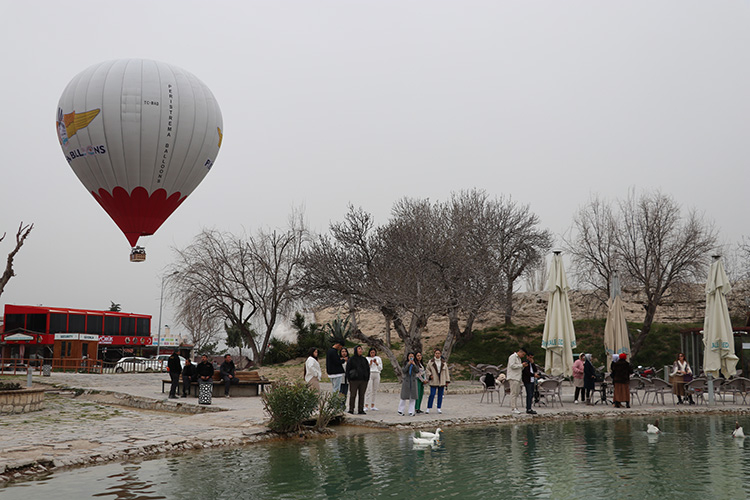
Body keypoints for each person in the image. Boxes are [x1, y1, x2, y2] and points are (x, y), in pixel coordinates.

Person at [345, 345, 370, 415]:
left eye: (361, 349)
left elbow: (368, 369)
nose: (361, 350)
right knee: (353, 395)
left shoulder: (364, 359)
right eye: (359, 349)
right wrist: (349, 378)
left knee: (362, 395)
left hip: (363, 380)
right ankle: (351, 409)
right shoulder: (351, 359)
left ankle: (360, 409)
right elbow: (348, 369)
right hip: (354, 380)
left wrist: (367, 378)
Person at [425, 348, 450, 414]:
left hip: (441, 380)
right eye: (436, 353)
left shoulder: (444, 362)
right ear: (434, 354)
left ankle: (439, 407)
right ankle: (428, 407)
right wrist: (430, 375)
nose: (437, 355)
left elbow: (446, 372)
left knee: (440, 395)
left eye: (438, 353)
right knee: (432, 394)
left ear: (440, 354)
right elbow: (427, 369)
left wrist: (447, 381)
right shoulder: (431, 362)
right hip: (434, 379)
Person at [507, 347, 527, 414]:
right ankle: (513, 408)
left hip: (517, 378)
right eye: (523, 354)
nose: (523, 356)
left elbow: (518, 368)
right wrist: (521, 365)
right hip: (513, 377)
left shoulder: (519, 359)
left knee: (516, 393)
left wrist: (522, 366)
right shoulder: (513, 357)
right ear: (520, 352)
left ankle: (515, 407)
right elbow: (512, 366)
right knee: (513, 393)